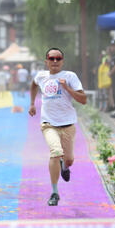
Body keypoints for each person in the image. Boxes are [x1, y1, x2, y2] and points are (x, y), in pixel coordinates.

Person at [29, 48, 86, 206]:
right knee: (55, 152)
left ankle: (64, 166)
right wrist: (32, 104)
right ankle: (55, 192)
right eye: (51, 58)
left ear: (62, 61)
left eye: (58, 58)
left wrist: (67, 88)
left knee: (69, 159)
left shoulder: (70, 76)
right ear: (46, 61)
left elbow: (83, 99)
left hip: (68, 125)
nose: (55, 61)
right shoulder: (41, 76)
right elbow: (33, 85)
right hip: (49, 124)